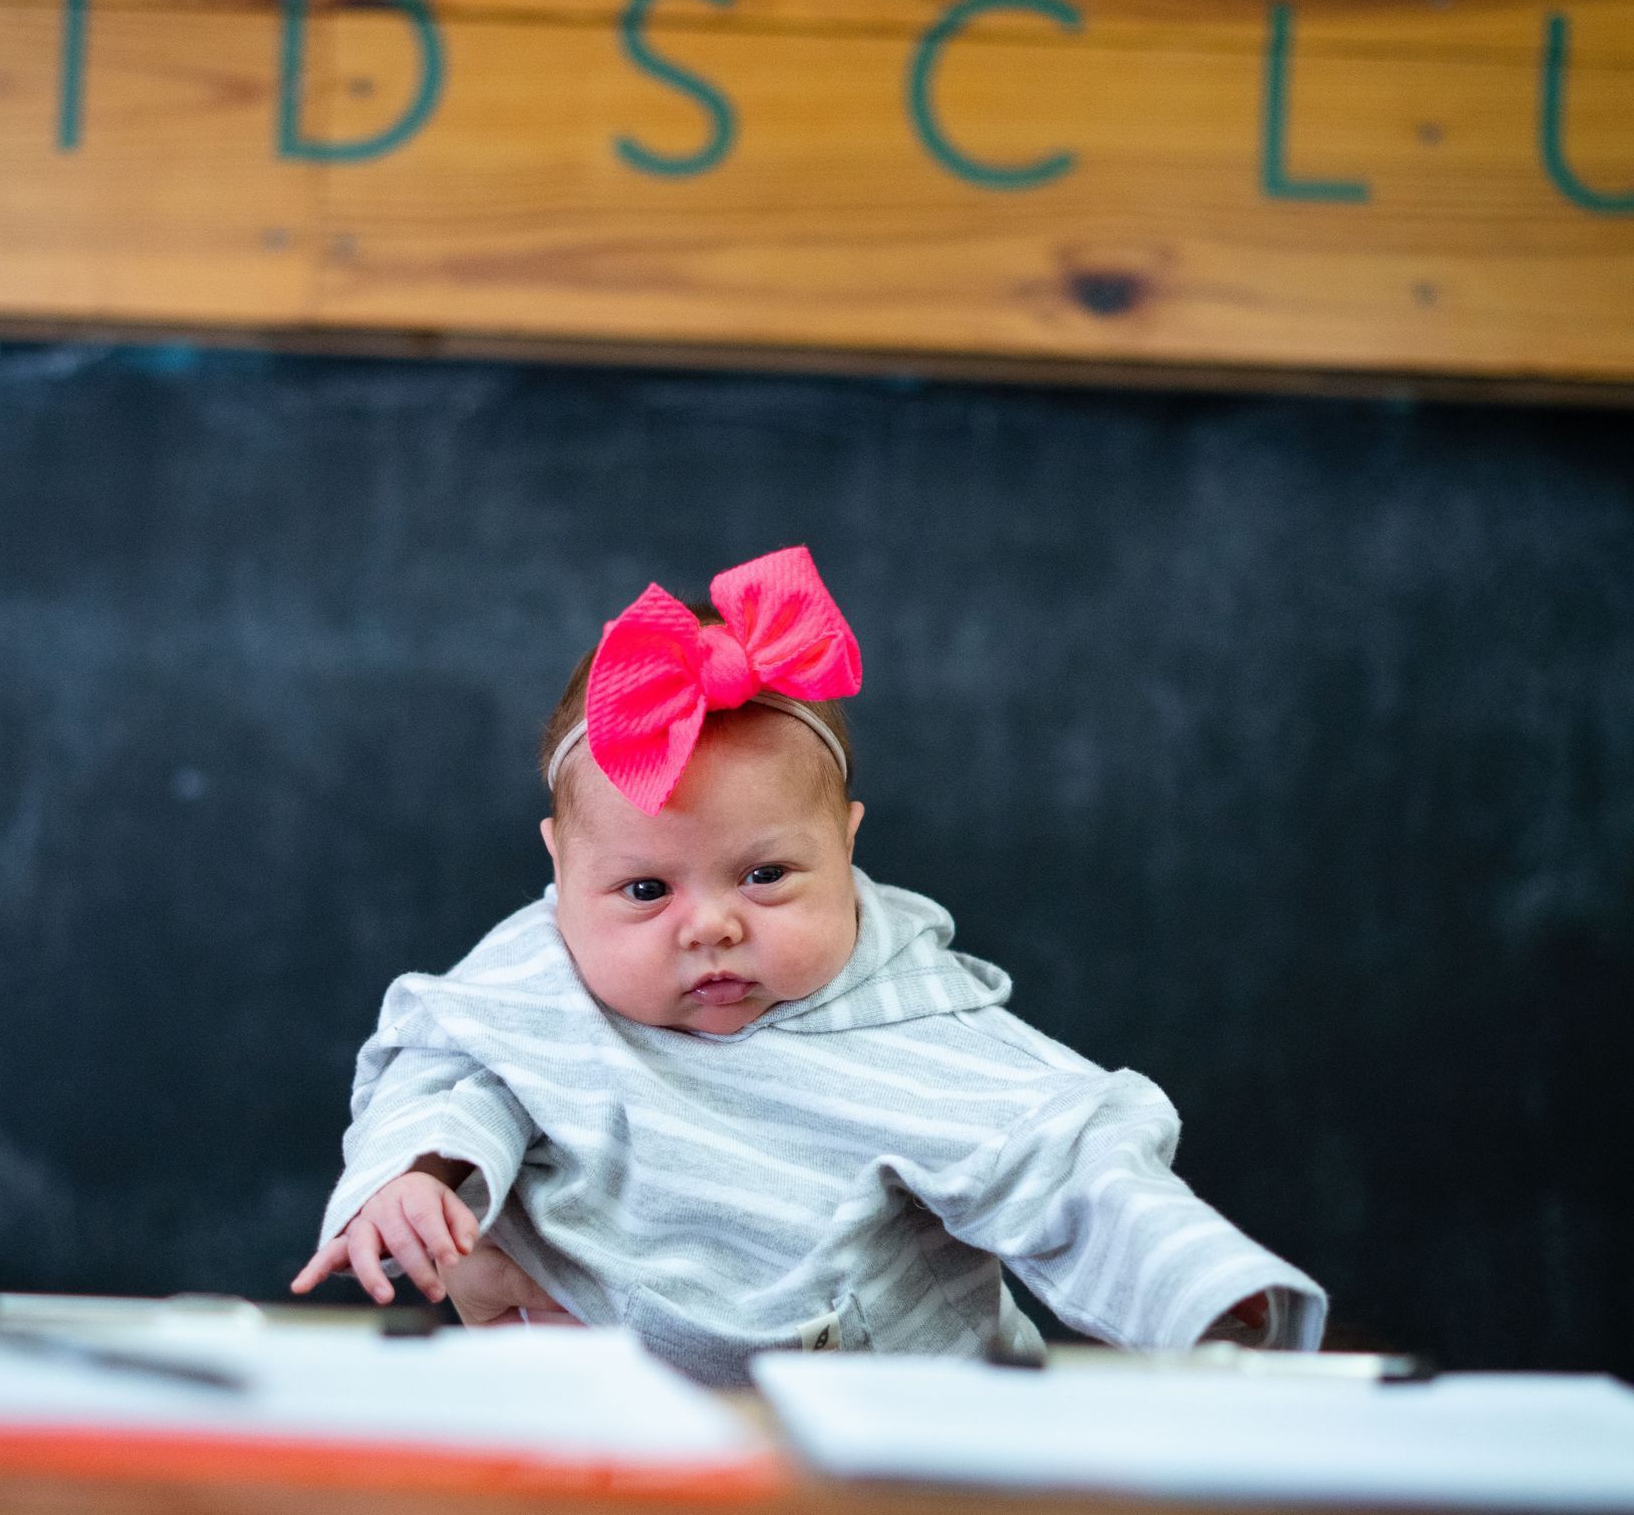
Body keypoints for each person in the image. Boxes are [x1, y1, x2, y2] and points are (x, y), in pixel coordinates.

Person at [293, 547, 1325, 1380]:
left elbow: (1065, 1158)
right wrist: (416, 1174)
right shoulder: (540, 980)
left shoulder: (911, 1027)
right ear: (561, 864)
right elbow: (451, 1069)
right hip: (602, 1419)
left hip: (891, 1442)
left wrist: (1206, 1297)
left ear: (849, 844)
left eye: (767, 874)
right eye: (647, 889)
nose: (709, 927)